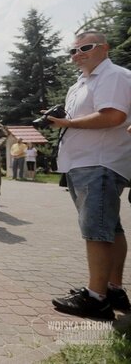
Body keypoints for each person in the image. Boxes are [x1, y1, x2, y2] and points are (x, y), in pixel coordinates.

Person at [49, 31, 131, 320]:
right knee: (111, 228)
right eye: (73, 50)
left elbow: (113, 116)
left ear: (104, 48)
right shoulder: (82, 82)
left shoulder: (113, 76)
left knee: (96, 229)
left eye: (85, 47)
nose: (77, 54)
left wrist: (69, 122)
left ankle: (96, 299)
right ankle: (113, 289)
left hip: (99, 162)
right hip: (85, 163)